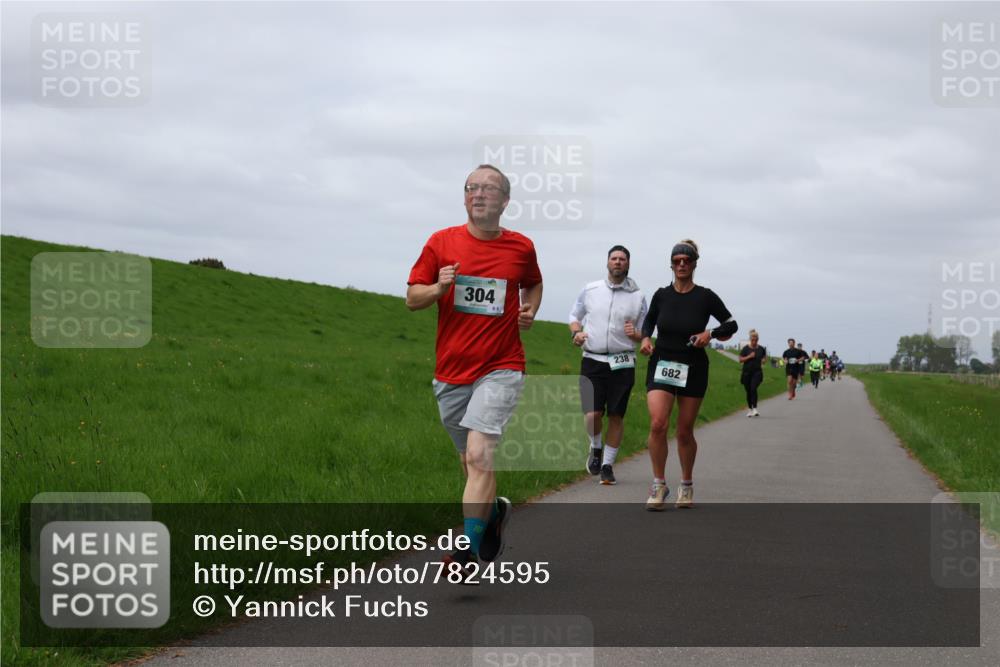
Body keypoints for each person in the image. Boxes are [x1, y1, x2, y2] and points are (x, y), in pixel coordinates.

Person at [406, 164, 543, 581]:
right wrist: (439, 289)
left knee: (481, 454)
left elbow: (533, 283)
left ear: (505, 200)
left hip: (502, 366)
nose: (478, 194)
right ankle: (494, 515)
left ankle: (464, 552)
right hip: (451, 372)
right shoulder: (441, 242)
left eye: (488, 188)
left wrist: (530, 308)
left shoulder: (521, 247)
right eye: (471, 188)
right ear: (464, 197)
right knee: (471, 463)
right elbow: (413, 297)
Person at [639, 240, 737, 510]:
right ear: (671, 264)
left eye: (687, 260)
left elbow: (731, 324)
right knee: (658, 423)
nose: (681, 264)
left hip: (693, 366)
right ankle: (658, 485)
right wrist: (646, 338)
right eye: (677, 260)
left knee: (683, 431)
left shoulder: (705, 296)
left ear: (695, 264)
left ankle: (686, 484)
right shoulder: (661, 294)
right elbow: (649, 320)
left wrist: (711, 334)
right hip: (662, 362)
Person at [569, 245, 648, 485]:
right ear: (607, 262)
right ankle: (595, 447)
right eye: (613, 258)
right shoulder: (590, 290)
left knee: (616, 414)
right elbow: (574, 316)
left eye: (622, 259)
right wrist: (577, 333)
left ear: (628, 264)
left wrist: (636, 334)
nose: (617, 262)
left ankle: (607, 465)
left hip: (622, 362)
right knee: (592, 414)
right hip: (592, 359)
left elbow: (645, 333)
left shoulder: (638, 296)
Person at [738, 329, 766, 417]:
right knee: (748, 391)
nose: (754, 341)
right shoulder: (746, 349)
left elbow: (764, 357)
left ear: (758, 339)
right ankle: (750, 409)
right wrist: (749, 356)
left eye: (756, 340)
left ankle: (755, 408)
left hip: (757, 372)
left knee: (753, 388)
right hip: (746, 373)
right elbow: (740, 359)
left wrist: (763, 360)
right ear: (750, 339)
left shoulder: (761, 349)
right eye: (752, 340)